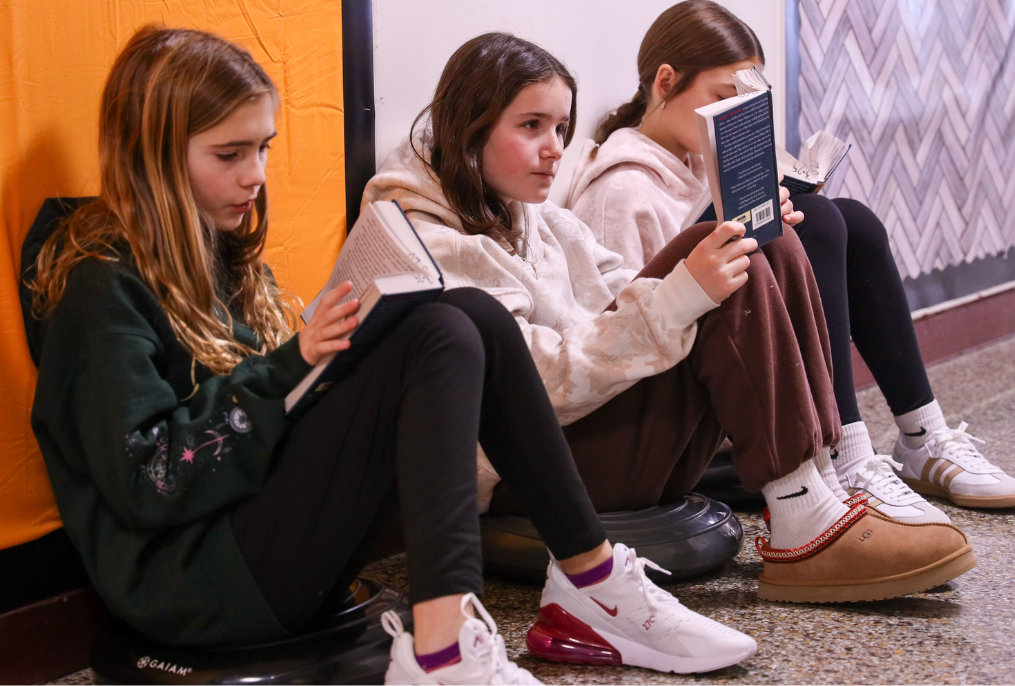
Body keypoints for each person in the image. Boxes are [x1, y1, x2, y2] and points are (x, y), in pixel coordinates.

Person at [26, 26, 766, 685]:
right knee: (440, 330)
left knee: (464, 315)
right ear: (152, 156)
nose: (256, 174)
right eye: (230, 153)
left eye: (263, 148)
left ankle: (584, 583)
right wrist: (292, 368)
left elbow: (256, 417)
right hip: (192, 586)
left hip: (251, 537)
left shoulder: (220, 255)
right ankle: (447, 655)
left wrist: (321, 363)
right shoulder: (102, 285)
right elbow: (149, 481)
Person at [363, 31, 975, 621]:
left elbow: (623, 298)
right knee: (710, 256)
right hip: (522, 474)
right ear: (467, 129)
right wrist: (685, 292)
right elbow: (525, 387)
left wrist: (736, 244)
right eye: (531, 126)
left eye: (560, 129)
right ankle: (801, 523)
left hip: (598, 438)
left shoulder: (539, 220)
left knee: (770, 238)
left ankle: (824, 488)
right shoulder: (432, 243)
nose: (555, 148)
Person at [567, 0, 1015, 517]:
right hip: (681, 409)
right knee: (818, 220)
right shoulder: (620, 190)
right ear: (666, 81)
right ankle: (844, 453)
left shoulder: (691, 166)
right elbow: (612, 335)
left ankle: (922, 435)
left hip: (736, 364)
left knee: (851, 221)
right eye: (721, 98)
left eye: (743, 102)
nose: (730, 115)